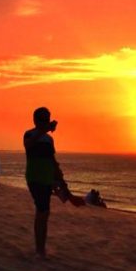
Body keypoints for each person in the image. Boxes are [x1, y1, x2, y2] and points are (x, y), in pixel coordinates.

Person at [24, 106, 83, 259]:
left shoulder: (49, 139)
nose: (46, 122)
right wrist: (44, 129)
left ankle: (40, 248)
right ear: (36, 120)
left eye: (47, 119)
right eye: (43, 119)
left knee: (44, 212)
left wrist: (59, 177)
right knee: (42, 211)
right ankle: (39, 250)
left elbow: (52, 160)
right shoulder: (29, 134)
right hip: (34, 177)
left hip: (47, 178)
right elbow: (28, 145)